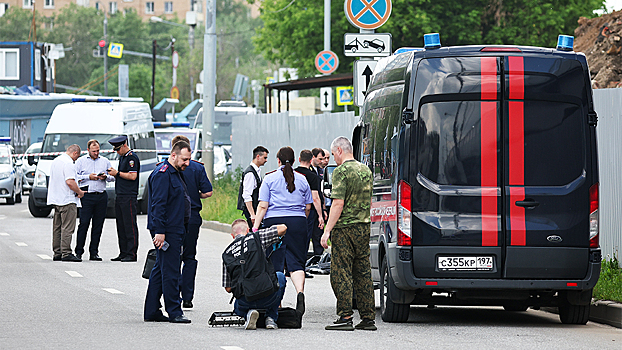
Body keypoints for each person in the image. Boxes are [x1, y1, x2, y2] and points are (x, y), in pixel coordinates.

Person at [321, 136, 376, 331]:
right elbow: (369, 201)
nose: (334, 158)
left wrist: (327, 231)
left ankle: (345, 316)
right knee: (363, 272)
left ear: (339, 150)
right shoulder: (366, 170)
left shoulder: (341, 172)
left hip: (344, 229)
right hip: (363, 227)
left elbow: (337, 203)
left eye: (334, 154)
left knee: (341, 271)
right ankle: (368, 318)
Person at [253, 146, 312, 308]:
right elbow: (308, 207)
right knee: (297, 263)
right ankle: (300, 292)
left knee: (274, 262)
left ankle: (276, 302)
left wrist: (256, 228)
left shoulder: (270, 178)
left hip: (275, 223)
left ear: (278, 160)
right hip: (298, 222)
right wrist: (301, 221)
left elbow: (263, 206)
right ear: (294, 161)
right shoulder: (302, 179)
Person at [144, 141, 192, 324]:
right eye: (184, 159)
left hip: (174, 228)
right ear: (174, 155)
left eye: (188, 159)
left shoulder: (175, 173)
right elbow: (158, 205)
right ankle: (174, 311)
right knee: (171, 271)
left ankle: (151, 311)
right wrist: (160, 231)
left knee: (160, 269)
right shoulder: (163, 174)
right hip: (167, 230)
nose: (187, 163)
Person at [170, 135, 213, 309]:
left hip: (175, 217)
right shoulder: (197, 168)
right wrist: (195, 195)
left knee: (173, 257)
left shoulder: (167, 168)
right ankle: (187, 296)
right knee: (189, 257)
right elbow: (208, 192)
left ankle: (173, 295)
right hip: (193, 217)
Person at [223, 219, 288, 330]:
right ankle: (270, 317)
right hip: (268, 295)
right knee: (280, 277)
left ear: (232, 236)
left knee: (238, 305)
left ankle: (248, 313)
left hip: (244, 302)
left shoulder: (227, 253)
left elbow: (228, 288)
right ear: (248, 230)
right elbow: (283, 228)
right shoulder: (257, 237)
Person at [74, 140, 114, 261]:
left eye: (97, 151)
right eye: (94, 151)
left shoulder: (105, 161)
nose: (96, 153)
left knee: (98, 225)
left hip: (101, 195)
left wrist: (106, 177)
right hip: (87, 195)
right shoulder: (81, 161)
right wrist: (88, 177)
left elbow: (112, 176)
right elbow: (75, 177)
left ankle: (94, 252)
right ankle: (79, 251)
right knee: (84, 223)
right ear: (88, 150)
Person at [47, 144, 84, 262]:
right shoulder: (68, 163)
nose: (76, 160)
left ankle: (57, 252)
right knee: (67, 227)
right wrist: (79, 192)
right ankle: (66, 252)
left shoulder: (56, 161)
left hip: (56, 198)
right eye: (76, 157)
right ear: (75, 153)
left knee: (57, 227)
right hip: (67, 199)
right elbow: (70, 182)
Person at [107, 135, 140, 262]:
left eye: (118, 149)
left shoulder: (131, 158)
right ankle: (123, 252)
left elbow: (132, 176)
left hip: (129, 196)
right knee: (120, 225)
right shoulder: (123, 157)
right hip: (120, 195)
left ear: (124, 145)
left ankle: (131, 253)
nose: (117, 152)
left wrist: (117, 173)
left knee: (129, 225)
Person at [294, 149, 325, 256]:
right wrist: (320, 215)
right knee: (307, 236)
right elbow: (315, 198)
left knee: (295, 237)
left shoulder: (293, 173)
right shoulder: (312, 176)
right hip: (309, 210)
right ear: (311, 159)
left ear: (299, 159)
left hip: (294, 209)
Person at [237, 146, 269, 228]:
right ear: (258, 157)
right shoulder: (250, 173)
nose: (266, 160)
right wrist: (252, 214)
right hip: (253, 210)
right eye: (264, 157)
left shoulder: (256, 171)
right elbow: (247, 195)